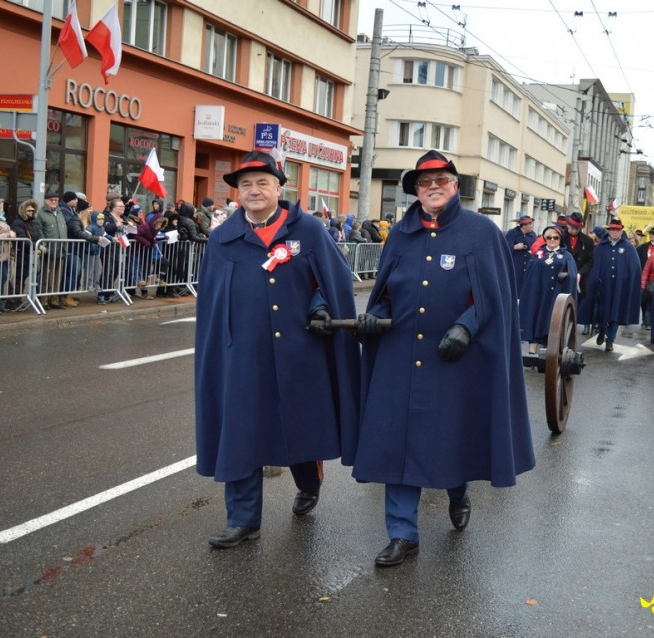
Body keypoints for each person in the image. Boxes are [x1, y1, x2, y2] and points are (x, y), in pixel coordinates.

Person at [350, 150, 533, 567]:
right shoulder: (400, 232)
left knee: (452, 437)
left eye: (442, 179)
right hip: (402, 355)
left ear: (455, 186)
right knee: (397, 442)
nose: (433, 186)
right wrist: (375, 317)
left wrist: (467, 325)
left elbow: (494, 295)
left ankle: (458, 489)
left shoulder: (481, 232)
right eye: (425, 180)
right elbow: (386, 292)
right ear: (416, 190)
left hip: (455, 358)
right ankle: (402, 534)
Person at [194, 150, 360, 549]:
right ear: (237, 192)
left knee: (299, 424)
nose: (254, 191)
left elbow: (331, 284)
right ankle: (243, 519)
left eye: (262, 183)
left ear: (278, 187)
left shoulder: (309, 231)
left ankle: (309, 481)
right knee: (242, 432)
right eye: (246, 184)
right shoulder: (222, 238)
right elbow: (213, 305)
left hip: (301, 351)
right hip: (244, 356)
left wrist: (320, 304)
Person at [518, 225, 577, 354]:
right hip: (539, 293)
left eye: (555, 237)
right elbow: (531, 269)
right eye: (549, 237)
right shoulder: (539, 253)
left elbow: (572, 273)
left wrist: (567, 275)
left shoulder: (566, 255)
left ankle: (548, 350)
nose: (552, 240)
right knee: (534, 317)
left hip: (556, 293)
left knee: (551, 319)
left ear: (560, 239)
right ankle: (532, 350)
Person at [591, 218, 641, 352]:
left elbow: (635, 266)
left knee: (616, 312)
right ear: (608, 231)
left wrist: (627, 278)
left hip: (620, 286)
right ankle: (602, 330)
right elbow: (594, 263)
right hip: (603, 285)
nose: (614, 232)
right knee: (602, 311)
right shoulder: (601, 246)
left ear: (621, 231)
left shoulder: (628, 247)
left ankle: (610, 339)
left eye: (617, 230)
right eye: (612, 229)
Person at [36, 192, 69, 309]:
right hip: (49, 250)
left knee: (57, 276)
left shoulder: (60, 213)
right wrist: (43, 245)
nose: (54, 202)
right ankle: (44, 300)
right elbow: (39, 230)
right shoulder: (41, 213)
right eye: (51, 200)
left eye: (56, 200)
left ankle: (54, 300)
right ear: (46, 200)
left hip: (61, 250)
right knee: (46, 277)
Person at [9, 199, 41, 309]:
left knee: (23, 278)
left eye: (32, 211)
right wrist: (35, 245)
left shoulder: (33, 222)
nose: (31, 212)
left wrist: (40, 244)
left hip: (29, 255)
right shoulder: (18, 222)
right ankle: (13, 301)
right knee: (17, 279)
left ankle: (17, 300)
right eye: (29, 211)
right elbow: (22, 238)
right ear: (23, 211)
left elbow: (38, 235)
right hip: (20, 254)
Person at [565, 212, 594, 309]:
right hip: (562, 276)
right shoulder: (560, 237)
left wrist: (580, 273)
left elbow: (590, 261)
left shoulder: (587, 241)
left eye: (577, 229)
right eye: (572, 228)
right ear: (568, 225)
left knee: (575, 306)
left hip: (579, 279)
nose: (574, 231)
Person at [504, 214, 537, 294]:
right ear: (524, 226)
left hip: (528, 264)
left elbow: (535, 246)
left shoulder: (532, 235)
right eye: (529, 224)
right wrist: (514, 247)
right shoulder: (512, 233)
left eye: (531, 224)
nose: (531, 226)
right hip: (515, 264)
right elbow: (504, 247)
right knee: (514, 284)